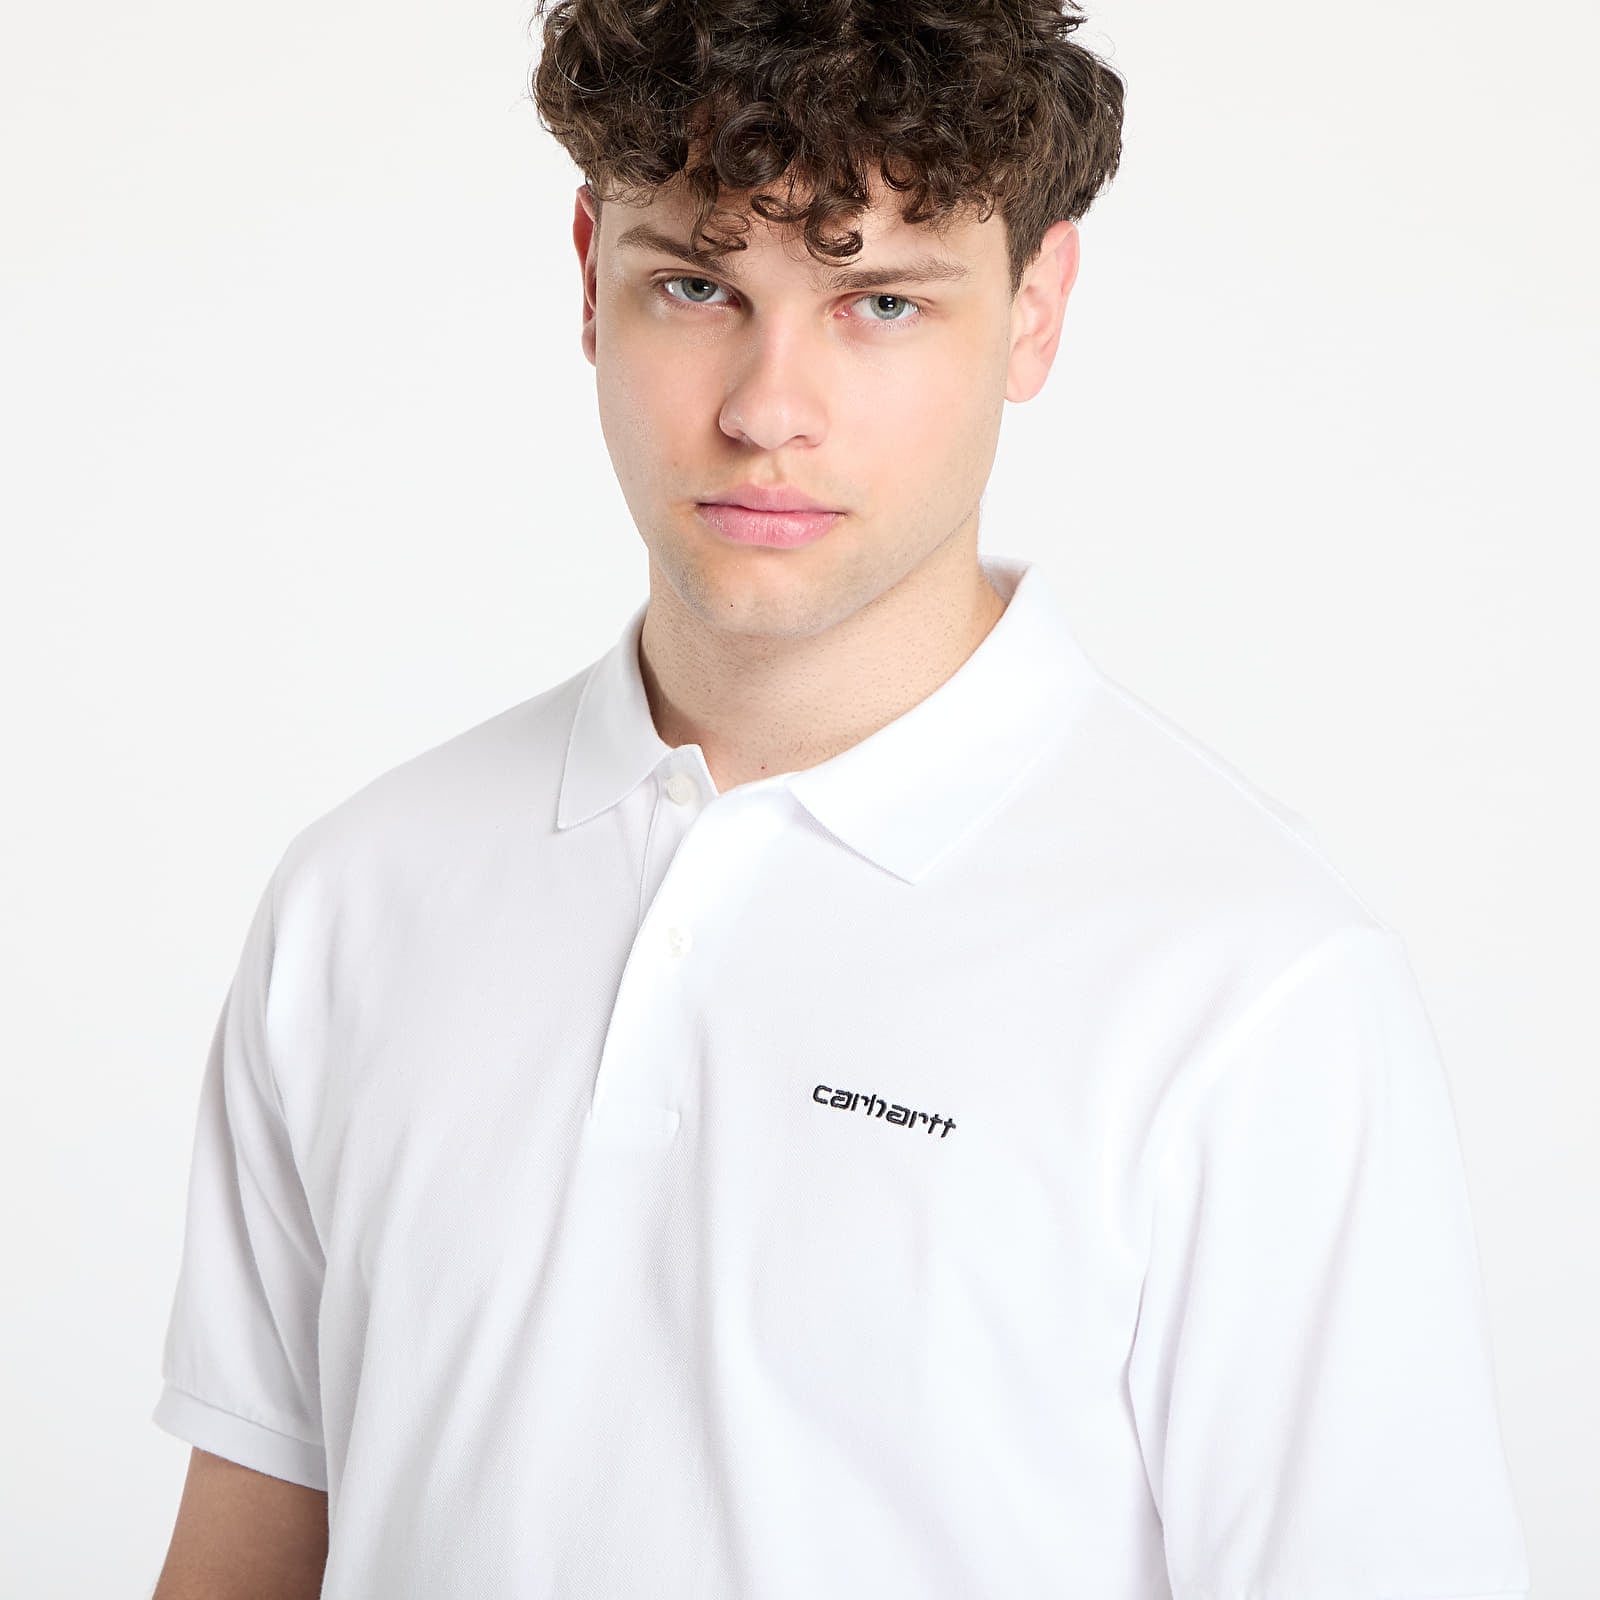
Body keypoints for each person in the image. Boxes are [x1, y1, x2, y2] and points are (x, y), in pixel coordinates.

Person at [149, 2, 1532, 1596]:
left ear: (1035, 310)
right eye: (697, 286)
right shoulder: (364, 896)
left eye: (880, 302)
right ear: (590, 274)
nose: (767, 409)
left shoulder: (1249, 981)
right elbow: (244, 1559)